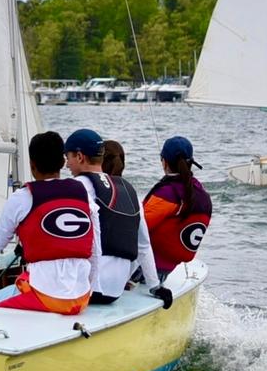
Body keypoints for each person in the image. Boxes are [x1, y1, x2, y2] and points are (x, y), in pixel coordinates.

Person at [0, 131, 100, 315]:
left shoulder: (21, 198)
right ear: (63, 162)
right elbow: (96, 249)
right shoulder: (83, 193)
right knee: (22, 283)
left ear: (32, 165)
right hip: (81, 297)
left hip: (46, 297)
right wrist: (90, 289)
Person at [63, 128, 172, 308]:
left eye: (68, 158)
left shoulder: (75, 187)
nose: (67, 165)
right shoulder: (130, 191)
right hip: (115, 290)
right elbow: (143, 244)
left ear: (80, 157)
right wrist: (155, 286)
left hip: (86, 289)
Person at [143, 136, 212, 280]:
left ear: (164, 162)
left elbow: (138, 226)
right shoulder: (199, 190)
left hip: (145, 270)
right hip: (167, 269)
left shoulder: (168, 193)